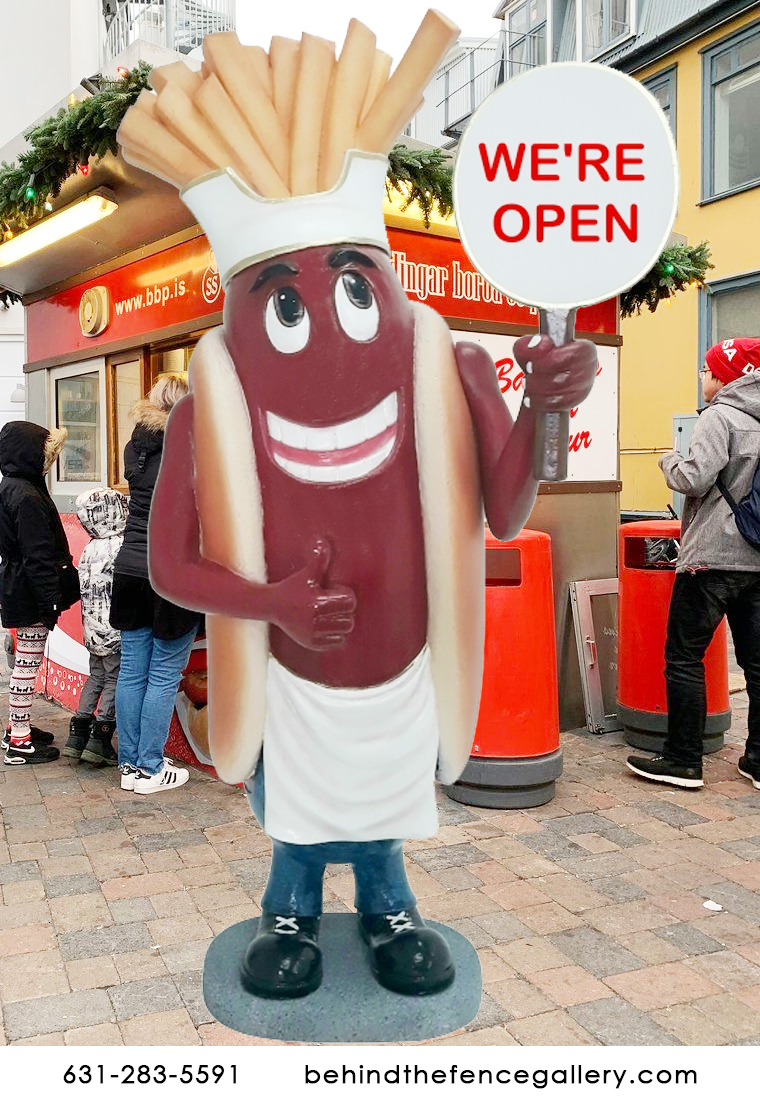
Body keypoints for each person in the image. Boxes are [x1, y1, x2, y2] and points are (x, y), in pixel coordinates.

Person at [627, 337, 760, 790]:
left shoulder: (720, 417)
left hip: (712, 559)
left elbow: (693, 478)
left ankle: (683, 760)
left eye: (707, 370)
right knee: (757, 664)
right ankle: (757, 760)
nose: (703, 378)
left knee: (684, 656)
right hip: (757, 560)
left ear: (728, 375)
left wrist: (667, 459)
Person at [110, 375, 201, 795]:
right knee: (164, 674)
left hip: (129, 568)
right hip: (172, 573)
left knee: (132, 672)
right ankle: (150, 767)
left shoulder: (137, 448)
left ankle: (130, 765)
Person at [0, 421, 80, 765]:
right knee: (27, 666)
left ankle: (17, 728)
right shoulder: (28, 495)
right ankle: (19, 741)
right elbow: (38, 556)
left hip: (17, 585)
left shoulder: (12, 486)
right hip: (29, 592)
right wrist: (50, 602)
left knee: (24, 662)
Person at [63, 488, 129, 767]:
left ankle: (77, 736)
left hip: (91, 629)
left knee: (95, 677)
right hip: (113, 631)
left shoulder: (91, 547)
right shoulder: (119, 547)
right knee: (114, 679)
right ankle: (100, 739)